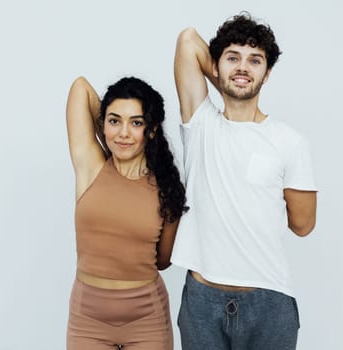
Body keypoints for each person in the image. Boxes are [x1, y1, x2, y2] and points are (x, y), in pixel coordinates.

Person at [170, 13, 318, 350]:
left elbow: (303, 224)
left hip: (269, 302)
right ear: (216, 65)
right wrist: (230, 78)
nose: (243, 67)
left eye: (255, 61)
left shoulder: (290, 141)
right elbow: (187, 39)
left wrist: (235, 72)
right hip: (202, 302)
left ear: (267, 74)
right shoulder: (201, 123)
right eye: (232, 58)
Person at [65, 76, 187, 350]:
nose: (123, 133)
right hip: (88, 319)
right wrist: (110, 133)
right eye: (114, 120)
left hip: (147, 318)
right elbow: (80, 88)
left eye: (136, 123)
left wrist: (116, 127)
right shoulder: (92, 167)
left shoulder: (166, 189)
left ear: (152, 129)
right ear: (102, 124)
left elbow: (163, 261)